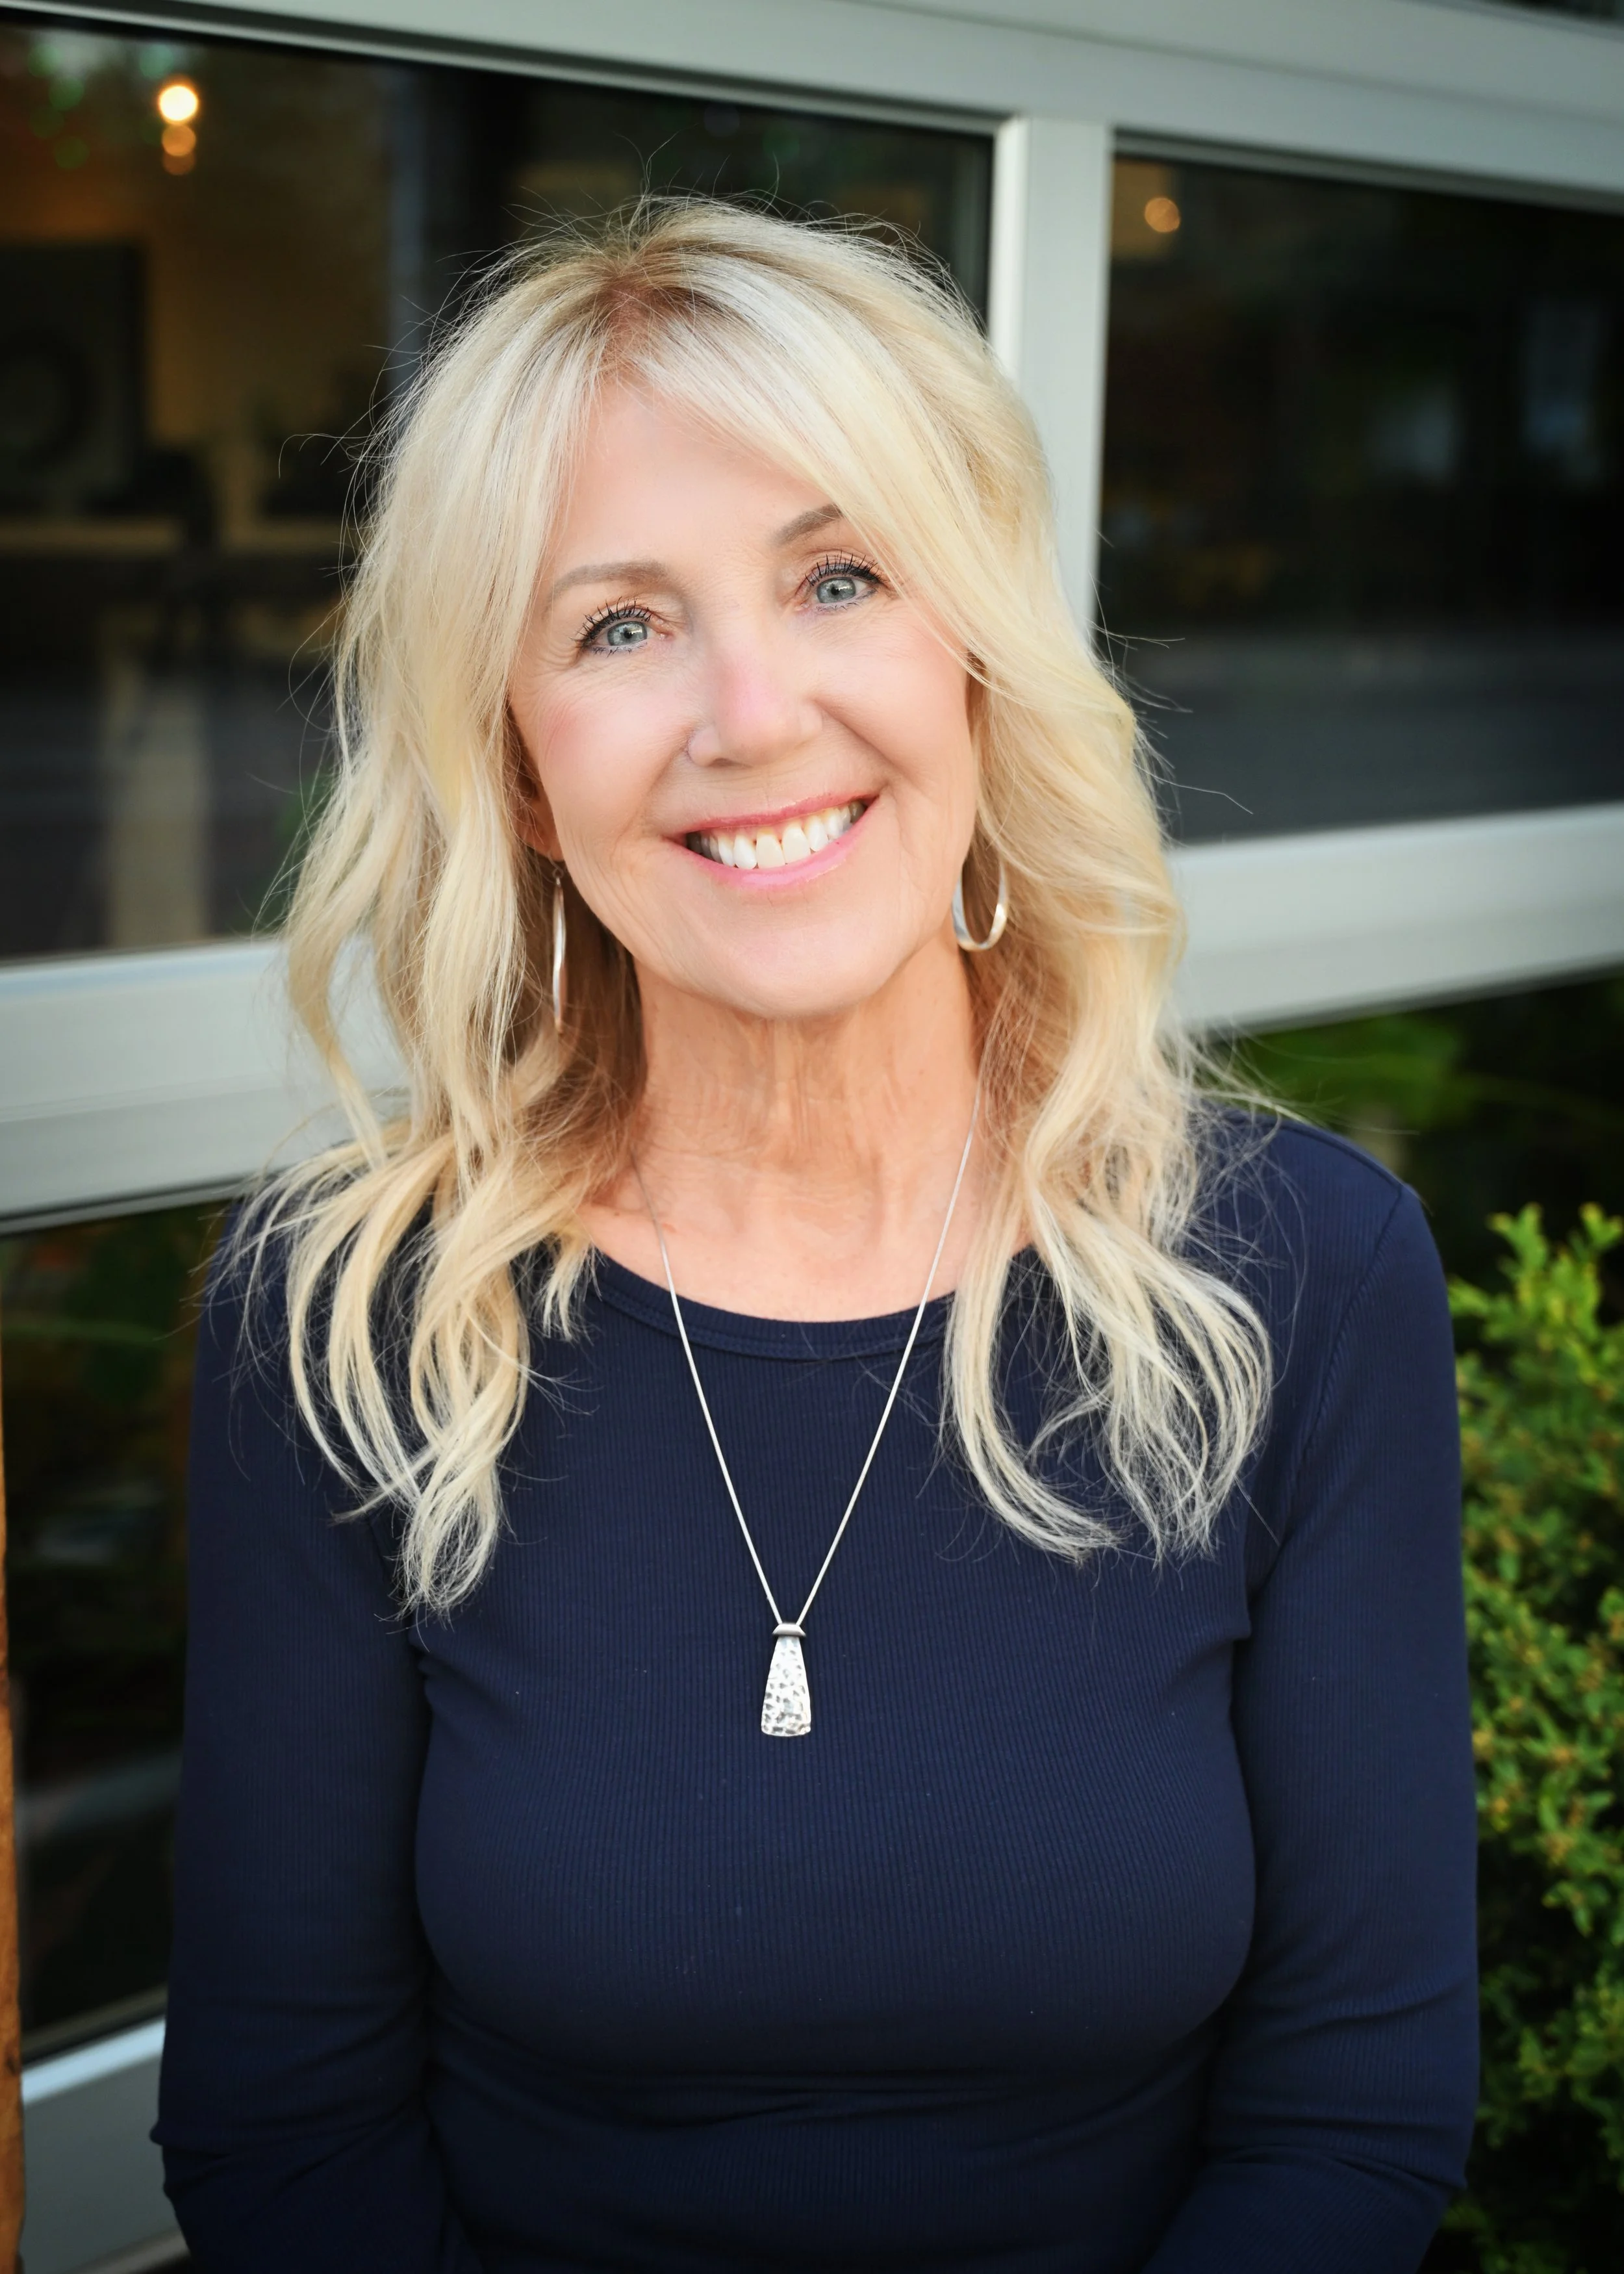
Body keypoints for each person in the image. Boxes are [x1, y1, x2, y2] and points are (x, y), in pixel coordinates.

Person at [156, 201, 1477, 2273]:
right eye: (618, 624)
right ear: (515, 767)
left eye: (837, 575)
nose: (750, 711)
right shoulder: (353, 1318)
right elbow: (286, 2123)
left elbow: (1353, 2100)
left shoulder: (1300, 1277)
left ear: (966, 649)